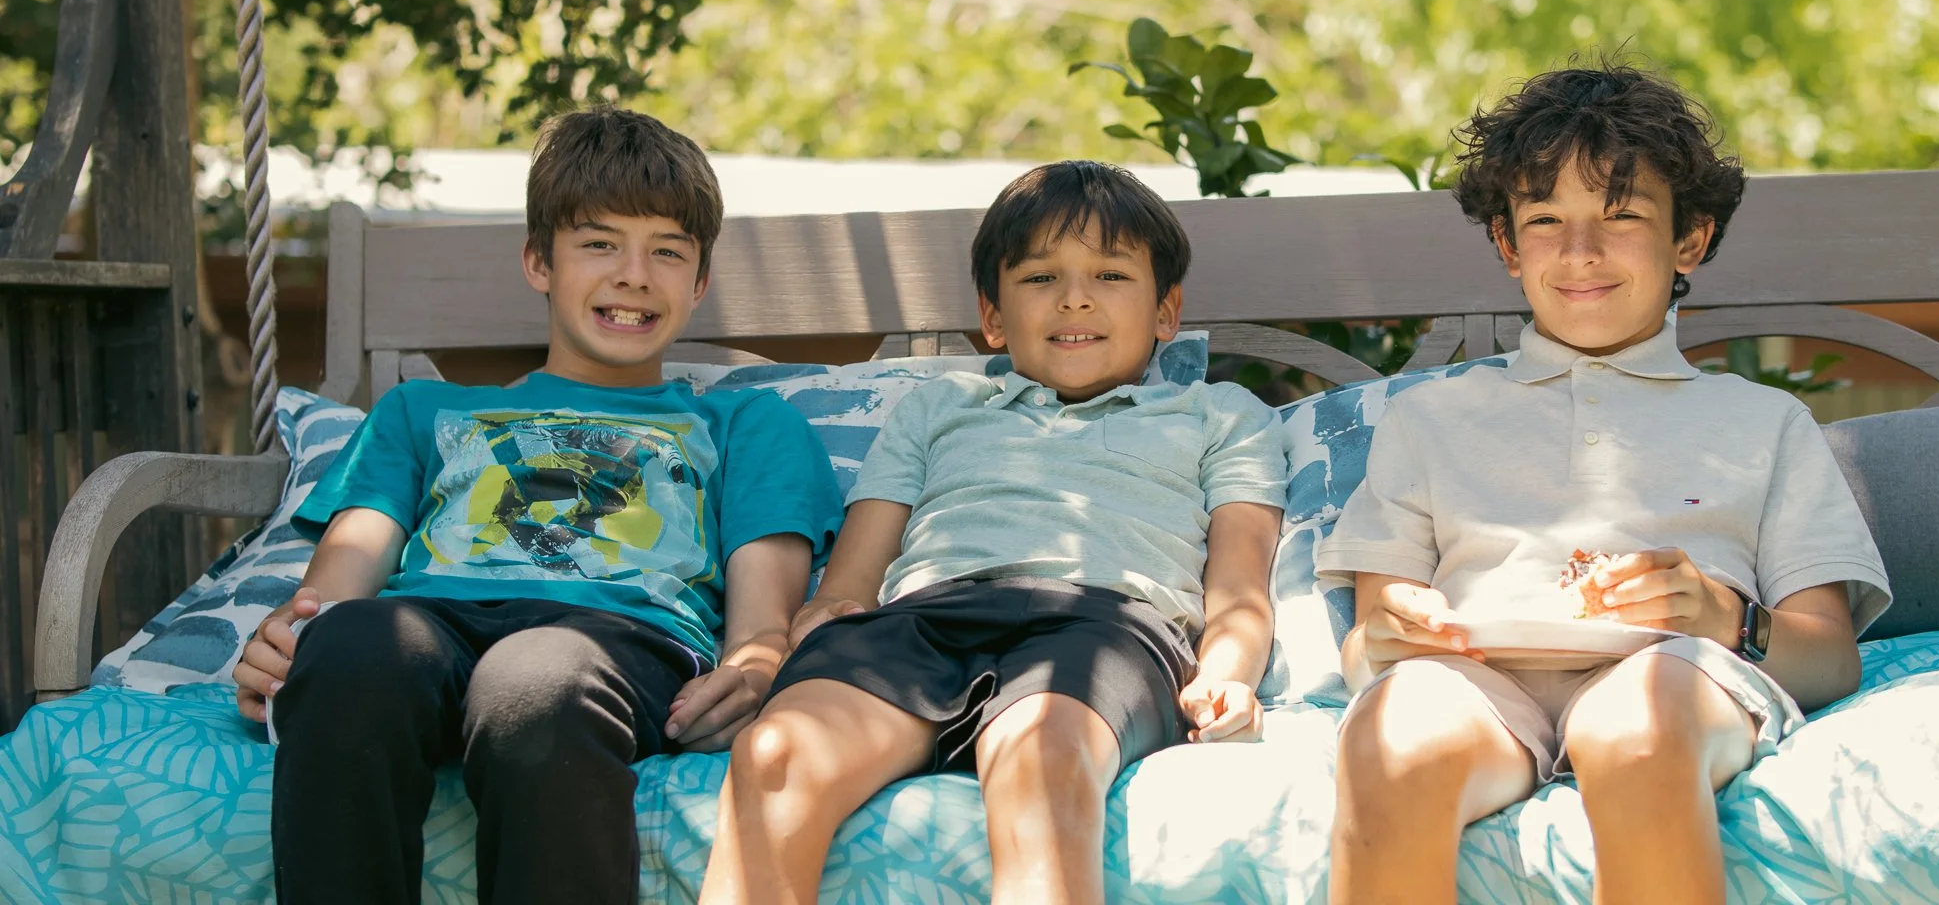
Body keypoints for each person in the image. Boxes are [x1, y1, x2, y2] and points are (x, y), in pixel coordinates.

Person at [232, 107, 843, 905]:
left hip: (618, 640)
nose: (634, 275)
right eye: (599, 243)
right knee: (352, 647)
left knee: (534, 680)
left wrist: (754, 669)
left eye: (667, 251)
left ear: (699, 282)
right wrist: (293, 645)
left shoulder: (746, 423)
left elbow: (761, 625)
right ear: (537, 261)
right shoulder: (422, 412)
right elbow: (337, 583)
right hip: (430, 625)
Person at [1320, 64, 1891, 905]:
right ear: (1509, 247)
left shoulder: (1765, 422)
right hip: (1474, 685)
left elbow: (1832, 658)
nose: (1580, 251)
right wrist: (1391, 633)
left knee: (1636, 729)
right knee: (1390, 744)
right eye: (1545, 220)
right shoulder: (1428, 420)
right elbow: (1368, 644)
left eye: (1621, 215)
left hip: (1679, 673)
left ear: (1689, 238)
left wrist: (1727, 618)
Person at [700, 160, 1288, 905]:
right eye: (1040, 277)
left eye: (1111, 275)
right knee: (776, 756)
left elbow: (1239, 588)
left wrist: (1226, 674)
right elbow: (850, 584)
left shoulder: (1219, 416)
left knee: (1041, 760)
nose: (1075, 297)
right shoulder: (939, 408)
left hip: (1104, 626)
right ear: (994, 318)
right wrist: (814, 628)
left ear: (1165, 313)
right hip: (923, 621)